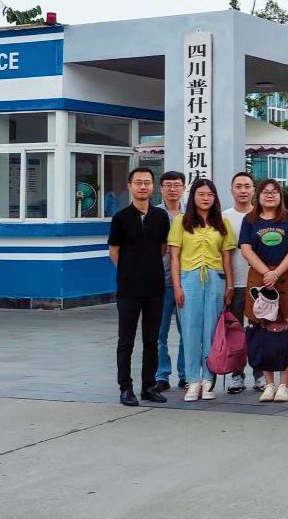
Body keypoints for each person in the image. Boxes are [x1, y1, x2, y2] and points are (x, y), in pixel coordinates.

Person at [168, 178, 235, 403]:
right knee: (190, 331)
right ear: (193, 196)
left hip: (216, 280)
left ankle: (208, 380)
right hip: (189, 279)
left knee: (212, 332)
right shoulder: (181, 221)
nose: (206, 198)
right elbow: (174, 258)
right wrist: (177, 286)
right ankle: (192, 380)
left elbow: (227, 259)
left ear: (215, 198)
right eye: (201, 194)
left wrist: (230, 286)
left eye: (210, 195)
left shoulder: (222, 223)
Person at [109, 168, 171, 406]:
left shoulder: (160, 216)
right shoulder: (121, 217)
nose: (143, 187)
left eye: (147, 183)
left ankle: (148, 387)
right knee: (126, 341)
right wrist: (129, 271)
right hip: (128, 290)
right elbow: (114, 252)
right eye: (138, 183)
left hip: (155, 288)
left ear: (153, 187)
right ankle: (125, 388)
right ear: (130, 186)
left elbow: (163, 248)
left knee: (151, 340)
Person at [240, 178, 288, 402]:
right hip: (260, 278)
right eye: (265, 192)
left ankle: (283, 384)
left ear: (280, 196)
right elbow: (246, 249)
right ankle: (268, 384)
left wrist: (276, 273)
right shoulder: (250, 220)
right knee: (263, 330)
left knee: (284, 330)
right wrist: (266, 272)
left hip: (285, 277)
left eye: (274, 191)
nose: (270, 195)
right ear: (258, 196)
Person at [152, 171, 187, 393]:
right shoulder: (153, 214)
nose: (172, 189)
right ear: (161, 188)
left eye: (177, 185)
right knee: (159, 333)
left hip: (187, 282)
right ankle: (161, 376)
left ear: (184, 188)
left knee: (188, 332)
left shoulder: (192, 213)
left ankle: (185, 374)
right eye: (168, 185)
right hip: (160, 282)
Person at [221, 171, 256, 393]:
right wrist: (227, 285)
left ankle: (261, 375)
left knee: (258, 330)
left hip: (257, 285)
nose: (243, 190)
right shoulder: (223, 218)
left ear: (253, 190)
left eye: (247, 186)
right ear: (231, 190)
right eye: (238, 186)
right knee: (234, 333)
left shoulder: (261, 215)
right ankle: (237, 375)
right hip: (233, 285)